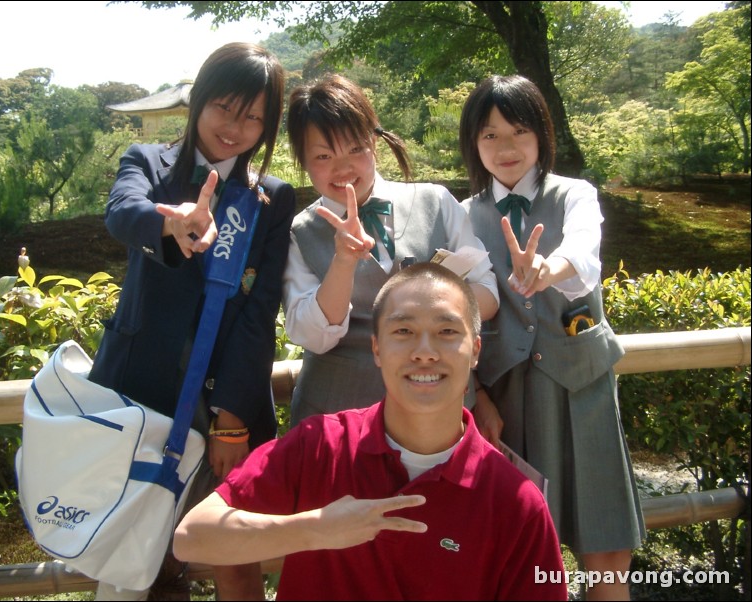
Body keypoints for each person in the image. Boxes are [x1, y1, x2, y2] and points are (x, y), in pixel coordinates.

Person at [173, 262, 567, 601]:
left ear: (476, 349)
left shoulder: (515, 502)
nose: (424, 351)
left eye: (447, 331)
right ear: (376, 349)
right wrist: (315, 529)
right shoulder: (320, 446)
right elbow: (193, 536)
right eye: (403, 331)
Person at [87, 42, 295, 601]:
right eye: (225, 107)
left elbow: (260, 312)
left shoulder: (272, 200)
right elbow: (121, 212)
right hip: (137, 395)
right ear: (199, 99)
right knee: (130, 550)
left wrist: (231, 416)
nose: (235, 127)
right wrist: (168, 224)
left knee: (232, 553)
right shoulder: (148, 163)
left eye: (254, 117)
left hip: (221, 407)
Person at [458, 74, 645, 601]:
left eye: (518, 131)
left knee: (604, 545)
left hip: (580, 389)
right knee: (514, 553)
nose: (506, 147)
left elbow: (584, 254)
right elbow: (458, 310)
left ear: (542, 133)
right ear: (474, 143)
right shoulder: (465, 216)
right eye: (490, 135)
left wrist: (548, 266)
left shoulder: (575, 196)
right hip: (506, 397)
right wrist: (478, 398)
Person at [282, 74, 499, 427]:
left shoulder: (436, 201)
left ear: (374, 144)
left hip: (438, 413)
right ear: (303, 162)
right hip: (336, 419)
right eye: (323, 155)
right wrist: (342, 263)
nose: (343, 168)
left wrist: (431, 301)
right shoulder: (298, 232)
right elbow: (311, 335)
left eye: (355, 149)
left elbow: (488, 294)